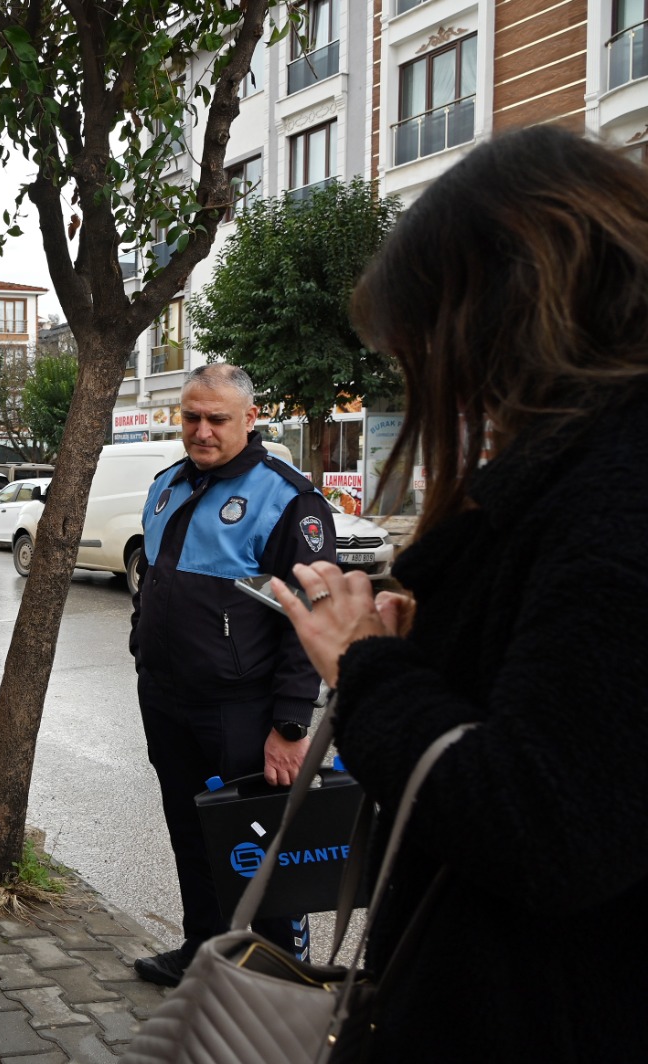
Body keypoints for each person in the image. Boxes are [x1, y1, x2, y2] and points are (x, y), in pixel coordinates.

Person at [270, 126, 648, 1061]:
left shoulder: (616, 495)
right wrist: (415, 659)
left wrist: (371, 669)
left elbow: (545, 821)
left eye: (428, 339)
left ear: (505, 308)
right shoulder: (592, 468)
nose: (433, 375)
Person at [128, 363, 336, 986]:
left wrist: (292, 724)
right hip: (167, 700)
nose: (201, 430)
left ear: (251, 418)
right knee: (192, 838)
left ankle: (279, 982)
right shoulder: (167, 484)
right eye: (190, 417)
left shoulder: (288, 499)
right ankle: (203, 953)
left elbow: (311, 620)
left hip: (242, 712)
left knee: (259, 855)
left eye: (217, 419)